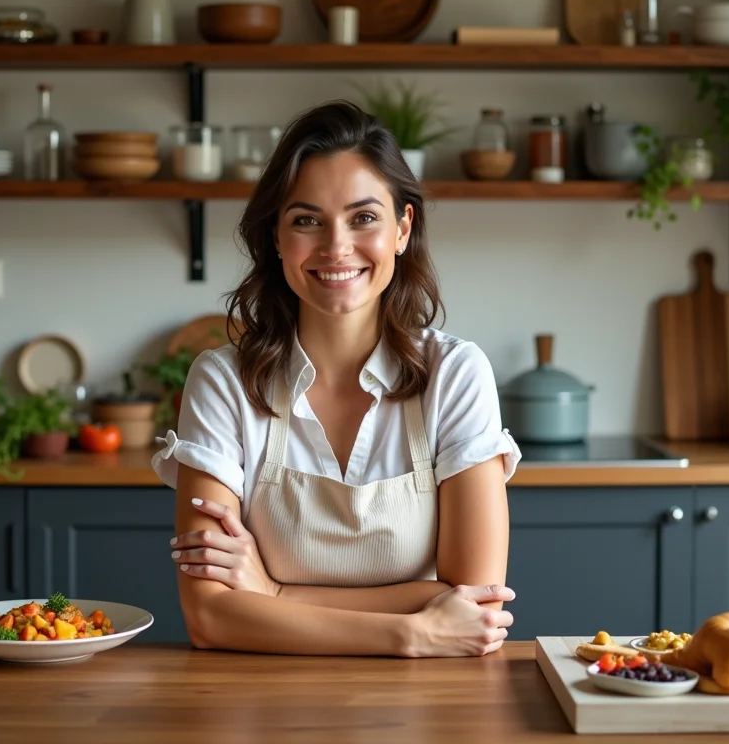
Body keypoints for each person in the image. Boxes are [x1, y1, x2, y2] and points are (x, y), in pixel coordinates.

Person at [151, 100, 520, 658]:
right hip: (258, 697)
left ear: (403, 228)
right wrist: (413, 629)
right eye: (306, 220)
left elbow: (475, 606)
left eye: (363, 217)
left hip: (427, 700)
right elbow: (209, 616)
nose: (336, 247)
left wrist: (273, 594)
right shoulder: (223, 382)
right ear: (276, 237)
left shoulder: (455, 375)